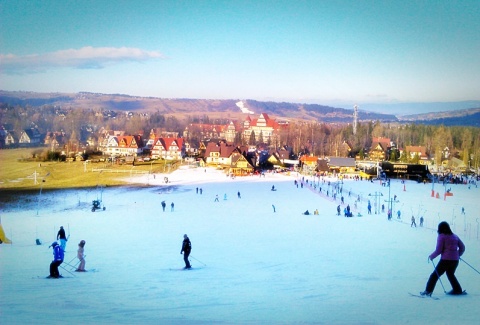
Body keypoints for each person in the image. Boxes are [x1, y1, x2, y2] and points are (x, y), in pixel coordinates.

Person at [420, 221, 465, 296]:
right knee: (450, 274)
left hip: (446, 260)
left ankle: (428, 291)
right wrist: (457, 255)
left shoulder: (441, 236)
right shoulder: (455, 236)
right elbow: (462, 247)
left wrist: (431, 256)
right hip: (455, 261)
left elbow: (439, 250)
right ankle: (457, 290)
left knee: (434, 275)